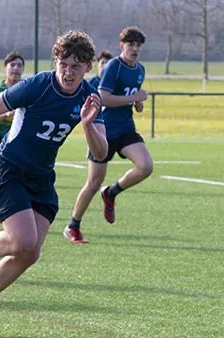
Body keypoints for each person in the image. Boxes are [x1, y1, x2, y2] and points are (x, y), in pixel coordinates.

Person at [0, 31, 105, 338]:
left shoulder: (90, 97)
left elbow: (100, 151)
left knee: (30, 253)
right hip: (10, 168)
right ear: (56, 62)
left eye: (77, 66)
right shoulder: (38, 85)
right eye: (64, 64)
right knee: (22, 241)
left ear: (88, 68)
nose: (69, 71)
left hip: (42, 177)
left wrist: (87, 125)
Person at [66, 27, 154, 243]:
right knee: (93, 182)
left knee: (146, 167)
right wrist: (134, 96)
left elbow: (129, 97)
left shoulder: (140, 69)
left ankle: (112, 192)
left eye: (138, 45)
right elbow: (104, 98)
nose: (134, 49)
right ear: (121, 46)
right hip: (103, 130)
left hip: (125, 129)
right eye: (130, 44)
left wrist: (138, 103)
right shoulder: (114, 65)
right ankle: (73, 226)